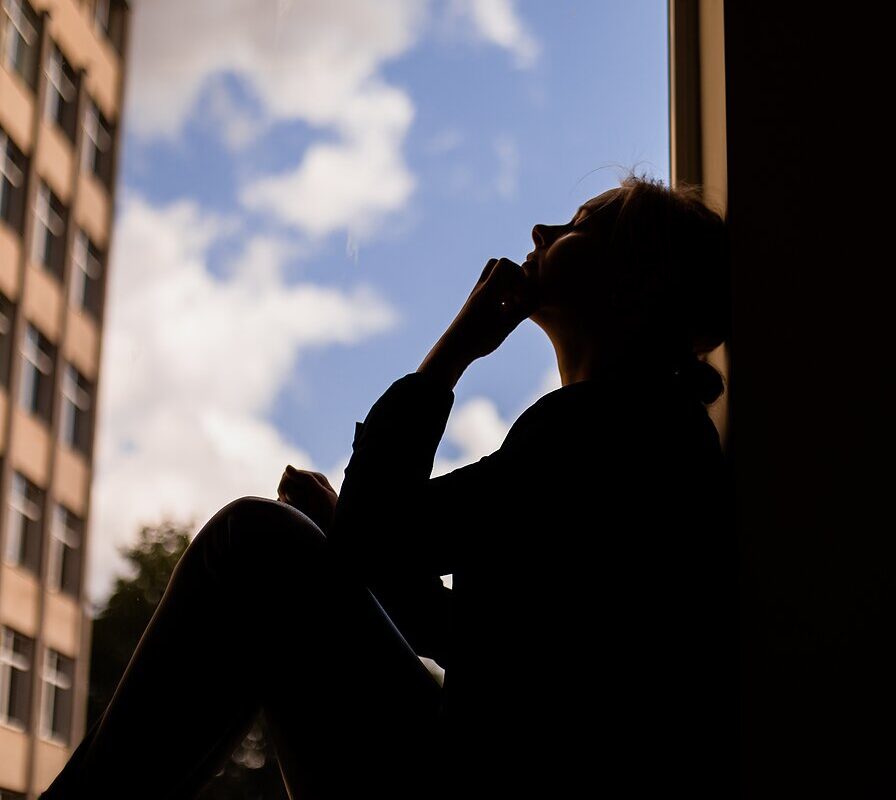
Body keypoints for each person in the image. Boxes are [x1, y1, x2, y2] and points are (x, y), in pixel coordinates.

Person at [39, 174, 735, 799]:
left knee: (251, 542)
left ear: (638, 282)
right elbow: (467, 638)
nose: (541, 231)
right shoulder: (650, 432)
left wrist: (454, 351)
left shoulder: (603, 429)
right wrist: (351, 526)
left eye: (580, 226)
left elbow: (376, 542)